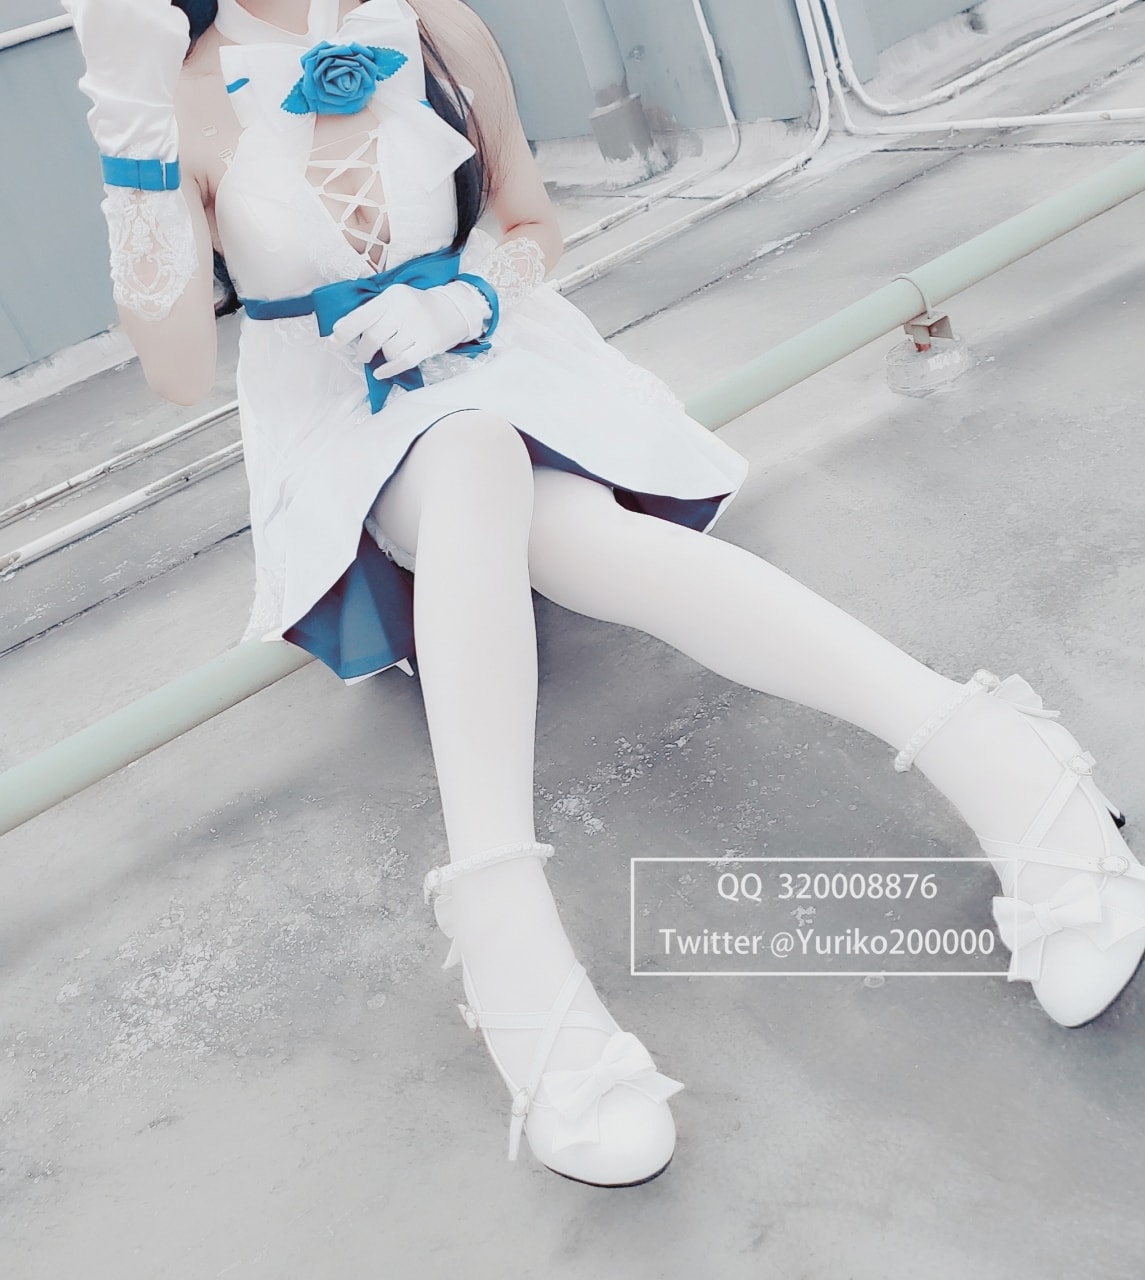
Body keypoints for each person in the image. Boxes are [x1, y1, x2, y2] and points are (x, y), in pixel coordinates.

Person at [65, 0, 1145, 1188]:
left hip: (504, 360)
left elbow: (529, 222)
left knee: (546, 503)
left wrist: (467, 298)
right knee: (472, 454)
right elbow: (177, 370)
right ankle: (997, 752)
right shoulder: (176, 90)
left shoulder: (429, 25)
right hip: (342, 426)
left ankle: (504, 935)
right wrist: (127, 111)